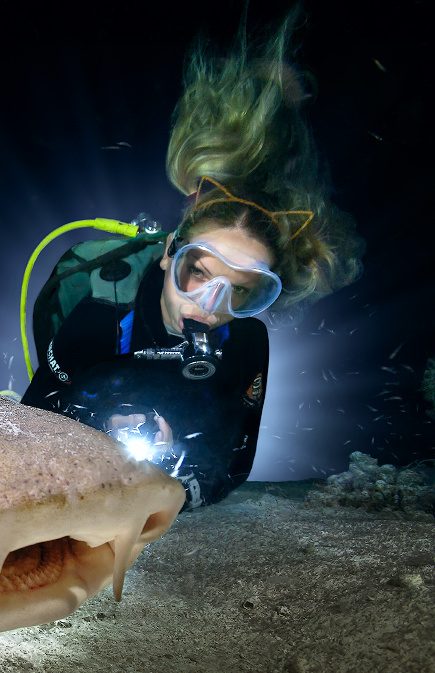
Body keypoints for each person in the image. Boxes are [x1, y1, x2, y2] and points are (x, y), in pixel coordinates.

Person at [20, 11, 363, 511]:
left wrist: (172, 488)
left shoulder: (247, 342)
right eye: (197, 273)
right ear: (167, 256)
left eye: (241, 290)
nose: (209, 304)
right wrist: (96, 426)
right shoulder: (97, 316)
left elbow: (235, 462)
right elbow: (28, 430)